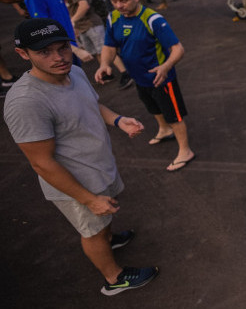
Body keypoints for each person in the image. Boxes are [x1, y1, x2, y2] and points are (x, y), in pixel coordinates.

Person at [3, 18, 158, 295]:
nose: (59, 57)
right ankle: (114, 279)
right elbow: (41, 163)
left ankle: (108, 236)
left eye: (63, 47)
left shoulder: (73, 71)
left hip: (98, 167)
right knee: (92, 232)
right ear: (23, 54)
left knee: (103, 222)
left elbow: (92, 104)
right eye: (44, 52)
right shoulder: (26, 102)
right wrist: (89, 199)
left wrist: (118, 120)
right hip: (76, 186)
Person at [95, 0, 195, 171]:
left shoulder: (152, 19)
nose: (119, 6)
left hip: (161, 79)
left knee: (173, 115)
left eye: (123, 0)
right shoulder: (113, 17)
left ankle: (185, 150)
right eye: (114, 1)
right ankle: (164, 130)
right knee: (152, 106)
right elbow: (109, 45)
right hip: (139, 77)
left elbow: (178, 49)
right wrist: (104, 64)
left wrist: (165, 66)